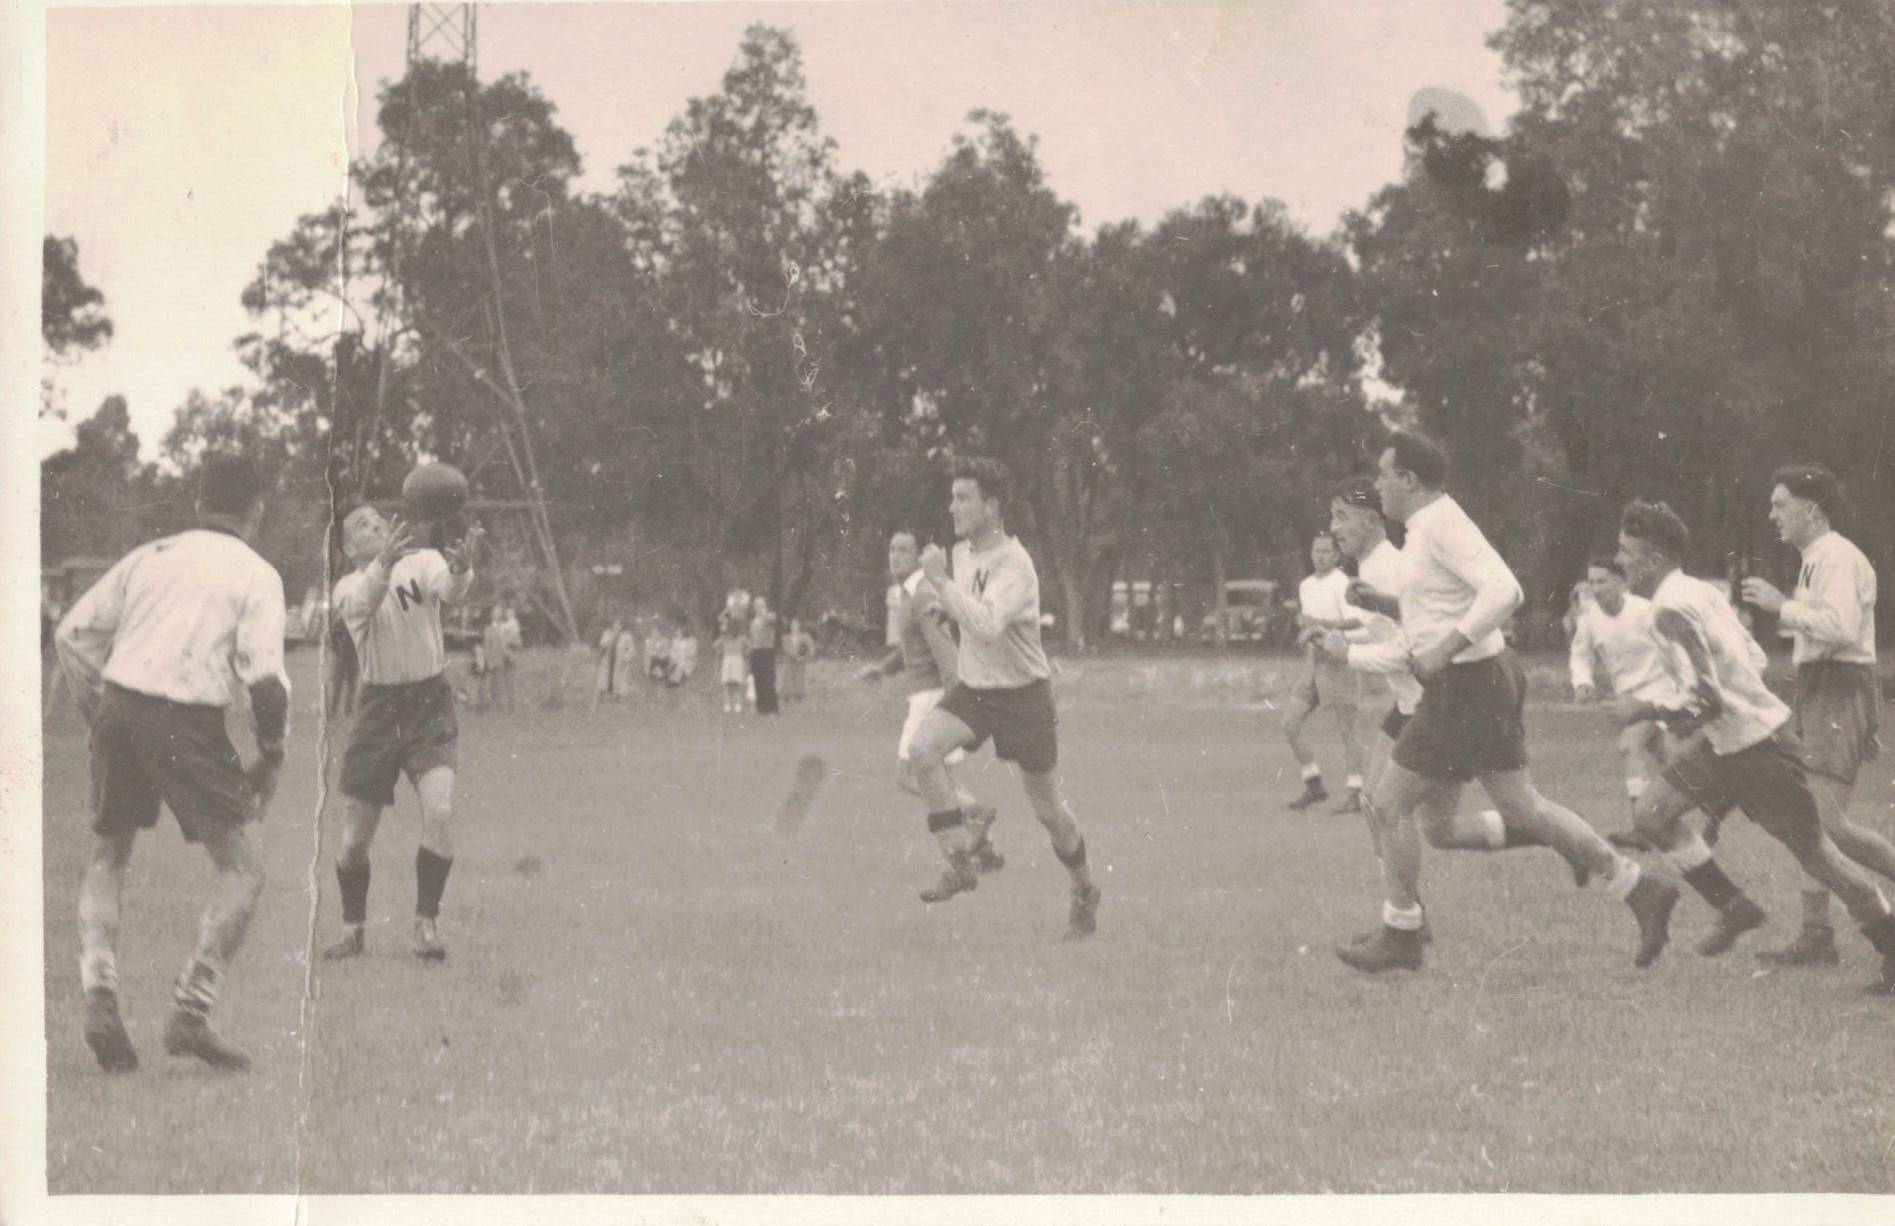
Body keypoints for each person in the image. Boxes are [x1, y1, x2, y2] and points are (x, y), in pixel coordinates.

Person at [1336, 432, 1675, 974]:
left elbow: (1504, 590)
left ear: (1408, 480)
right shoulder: (1428, 527)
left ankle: (1402, 931)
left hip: (1466, 687)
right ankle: (1639, 887)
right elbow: (1444, 599)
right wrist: (1383, 603)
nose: (1377, 486)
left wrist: (1444, 649)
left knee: (1385, 804)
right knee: (1495, 815)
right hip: (1478, 683)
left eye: (1383, 475)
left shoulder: (1441, 524)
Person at [56, 455, 290, 1072]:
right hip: (185, 720)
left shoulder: (149, 556)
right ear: (256, 511)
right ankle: (191, 1011)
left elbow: (71, 635)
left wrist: (97, 714)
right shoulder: (255, 572)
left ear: (197, 503)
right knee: (244, 867)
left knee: (109, 857)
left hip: (120, 705)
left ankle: (99, 992)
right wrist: (271, 754)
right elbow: (266, 682)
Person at [1615, 498, 1895, 992]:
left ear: (1652, 559)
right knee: (1652, 814)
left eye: (1626, 552)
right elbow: (1754, 655)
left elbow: (1705, 698)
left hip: (1760, 748)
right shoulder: (1699, 593)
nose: (1620, 563)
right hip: (1729, 743)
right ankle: (1734, 906)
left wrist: (1648, 709)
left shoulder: (1669, 610)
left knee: (1820, 858)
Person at [906, 458, 1101, 940]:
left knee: (1047, 810)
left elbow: (989, 623)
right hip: (976, 689)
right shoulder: (962, 553)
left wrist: (940, 585)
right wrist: (945, 604)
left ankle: (1083, 890)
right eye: (952, 497)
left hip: (1022, 696)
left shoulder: (1016, 563)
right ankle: (958, 862)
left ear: (991, 506)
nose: (952, 507)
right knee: (921, 751)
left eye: (963, 498)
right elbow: (970, 617)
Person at [1737, 465, 1890, 967]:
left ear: (1812, 509)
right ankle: (1816, 933)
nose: (1772, 514)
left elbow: (1842, 628)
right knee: (1818, 823)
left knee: (1823, 825)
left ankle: (1824, 932)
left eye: (1781, 504)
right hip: (1825, 689)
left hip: (1837, 687)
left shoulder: (1836, 557)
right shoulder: (1815, 559)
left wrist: (1783, 607)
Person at [323, 506, 483, 962]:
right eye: (362, 527)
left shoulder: (422, 560)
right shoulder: (347, 586)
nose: (374, 526)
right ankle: (353, 930)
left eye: (378, 519)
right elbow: (363, 605)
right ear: (349, 548)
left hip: (429, 701)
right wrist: (383, 564)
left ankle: (424, 925)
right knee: (355, 840)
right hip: (378, 710)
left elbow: (450, 590)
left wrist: (461, 568)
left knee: (440, 809)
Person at [860, 530, 1003, 880]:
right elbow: (914, 649)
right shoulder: (909, 595)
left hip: (930, 698)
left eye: (904, 550)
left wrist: (955, 699)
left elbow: (945, 652)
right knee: (941, 777)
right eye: (892, 549)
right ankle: (987, 852)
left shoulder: (921, 595)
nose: (896, 556)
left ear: (918, 556)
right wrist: (883, 668)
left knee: (908, 774)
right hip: (926, 695)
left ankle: (974, 812)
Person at [1569, 558, 1692, 816]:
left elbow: (1675, 649)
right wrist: (1583, 682)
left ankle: (1643, 822)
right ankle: (1694, 807)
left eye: (1601, 581)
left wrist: (1680, 690)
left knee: (1629, 745)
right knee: (1665, 755)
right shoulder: (1589, 619)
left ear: (1621, 582)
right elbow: (1580, 654)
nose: (1595, 588)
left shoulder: (1646, 611)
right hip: (1627, 696)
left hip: (1660, 690)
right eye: (1591, 582)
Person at [1284, 531, 1366, 812]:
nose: (1319, 557)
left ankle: (1356, 794)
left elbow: (1356, 621)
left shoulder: (1342, 584)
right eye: (1316, 551)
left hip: (1338, 661)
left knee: (1347, 730)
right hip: (1313, 662)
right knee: (1290, 723)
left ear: (1336, 555)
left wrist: (1322, 625)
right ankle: (1314, 786)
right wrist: (1304, 629)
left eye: (1325, 552)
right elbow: (1307, 622)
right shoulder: (1306, 585)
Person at [482, 602, 522, 712]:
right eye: (495, 613)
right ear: (492, 615)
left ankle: (511, 708)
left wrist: (513, 646)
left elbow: (517, 642)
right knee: (495, 685)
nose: (497, 615)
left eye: (499, 613)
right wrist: (489, 660)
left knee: (510, 683)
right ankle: (496, 707)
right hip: (496, 660)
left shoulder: (509, 626)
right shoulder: (488, 629)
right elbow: (487, 647)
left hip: (508, 659)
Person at [593, 617, 635, 710]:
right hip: (608, 660)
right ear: (612, 625)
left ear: (622, 626)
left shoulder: (627, 636)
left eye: (619, 624)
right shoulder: (607, 633)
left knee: (619, 678)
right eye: (615, 624)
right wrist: (606, 642)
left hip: (620, 661)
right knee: (605, 677)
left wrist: (626, 658)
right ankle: (604, 695)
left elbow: (631, 650)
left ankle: (618, 696)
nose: (617, 626)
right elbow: (602, 645)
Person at [715, 607, 749, 714]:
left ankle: (737, 705)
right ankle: (727, 705)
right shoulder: (725, 627)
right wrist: (727, 609)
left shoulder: (740, 630)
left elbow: (748, 646)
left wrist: (745, 652)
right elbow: (716, 644)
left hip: (737, 658)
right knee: (726, 683)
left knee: (737, 683)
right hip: (728, 658)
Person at [750, 595, 781, 715]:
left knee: (768, 679)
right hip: (756, 651)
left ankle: (772, 708)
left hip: (766, 651)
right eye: (756, 605)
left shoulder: (769, 616)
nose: (758, 607)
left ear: (764, 605)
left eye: (761, 605)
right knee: (758, 679)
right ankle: (762, 708)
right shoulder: (753, 621)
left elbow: (772, 620)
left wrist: (764, 613)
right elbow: (753, 637)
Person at [781, 617, 815, 703]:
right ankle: (786, 696)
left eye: (796, 624)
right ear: (790, 626)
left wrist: (804, 657)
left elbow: (811, 649)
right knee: (788, 677)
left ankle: (800, 696)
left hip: (801, 661)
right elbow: (785, 648)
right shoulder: (785, 637)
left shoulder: (805, 636)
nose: (794, 626)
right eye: (792, 625)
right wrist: (793, 655)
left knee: (800, 678)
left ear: (799, 626)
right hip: (789, 661)